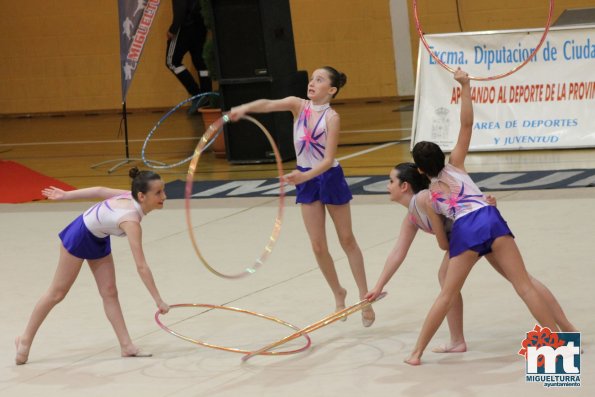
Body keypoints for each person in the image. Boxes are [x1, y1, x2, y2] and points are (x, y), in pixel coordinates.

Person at [403, 68, 562, 365]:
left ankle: (416, 353)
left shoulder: (430, 199)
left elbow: (442, 244)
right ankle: (558, 343)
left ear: (421, 171)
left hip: (467, 229)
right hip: (491, 216)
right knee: (524, 285)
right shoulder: (457, 164)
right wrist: (465, 85)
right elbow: (466, 124)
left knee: (447, 294)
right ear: (442, 156)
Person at [365, 162, 577, 353]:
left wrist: (485, 201)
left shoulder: (424, 198)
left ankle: (565, 329)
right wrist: (378, 286)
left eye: (391, 181)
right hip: (468, 239)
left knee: (518, 281)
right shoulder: (412, 216)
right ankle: (566, 329)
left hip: (472, 234)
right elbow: (398, 252)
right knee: (520, 280)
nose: (387, 186)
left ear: (404, 186)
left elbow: (457, 199)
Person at [228, 66, 375, 327]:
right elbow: (269, 104)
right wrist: (245, 107)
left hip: (328, 176)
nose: (311, 83)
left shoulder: (332, 118)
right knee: (318, 245)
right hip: (306, 178)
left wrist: (304, 176)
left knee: (347, 239)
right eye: (311, 79)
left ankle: (365, 297)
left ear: (331, 89)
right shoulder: (298, 105)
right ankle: (338, 293)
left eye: (319, 80)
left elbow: (328, 160)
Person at [15, 167, 170, 365]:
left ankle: (126, 345)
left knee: (109, 291)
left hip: (99, 237)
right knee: (57, 293)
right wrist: (158, 300)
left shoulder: (130, 197)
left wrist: (66, 195)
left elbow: (99, 190)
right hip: (79, 235)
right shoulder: (131, 222)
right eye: (158, 193)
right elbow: (141, 266)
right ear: (141, 196)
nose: (164, 196)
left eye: (163, 190)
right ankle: (24, 339)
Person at [165, 0, 212, 114]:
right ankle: (205, 96)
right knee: (200, 62)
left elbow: (181, 6)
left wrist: (173, 28)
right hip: (200, 25)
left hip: (185, 26)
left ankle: (196, 95)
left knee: (172, 61)